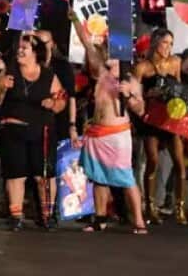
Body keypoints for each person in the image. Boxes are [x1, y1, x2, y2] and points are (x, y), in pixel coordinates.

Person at [72, 14, 147, 233]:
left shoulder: (131, 80)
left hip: (117, 135)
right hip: (97, 133)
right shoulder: (101, 73)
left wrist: (130, 96)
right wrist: (76, 21)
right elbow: (87, 42)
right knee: (98, 178)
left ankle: (139, 221)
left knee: (126, 178)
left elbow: (141, 110)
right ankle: (100, 217)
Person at [0, 35, 67, 231]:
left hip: (41, 130)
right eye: (19, 47)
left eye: (24, 47)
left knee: (43, 175)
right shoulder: (9, 72)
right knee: (16, 175)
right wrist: (1, 89)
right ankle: (16, 216)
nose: (20, 51)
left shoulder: (49, 75)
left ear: (36, 52)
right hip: (13, 130)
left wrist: (53, 103)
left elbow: (62, 101)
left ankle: (47, 215)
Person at [134, 28, 188, 225]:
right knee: (153, 161)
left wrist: (184, 121)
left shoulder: (175, 62)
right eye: (165, 42)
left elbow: (181, 89)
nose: (168, 47)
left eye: (171, 43)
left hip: (171, 119)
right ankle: (150, 206)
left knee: (179, 163)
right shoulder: (143, 67)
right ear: (156, 42)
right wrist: (150, 94)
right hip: (151, 120)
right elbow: (135, 95)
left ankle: (180, 207)